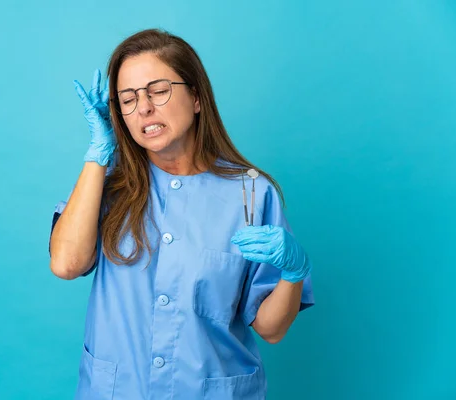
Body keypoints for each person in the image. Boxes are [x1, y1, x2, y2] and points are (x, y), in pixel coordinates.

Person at [48, 28, 314, 400]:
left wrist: (293, 273)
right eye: (127, 99)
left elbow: (271, 328)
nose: (143, 108)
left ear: (196, 97)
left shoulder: (251, 194)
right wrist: (98, 154)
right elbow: (66, 264)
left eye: (158, 91)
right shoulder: (106, 186)